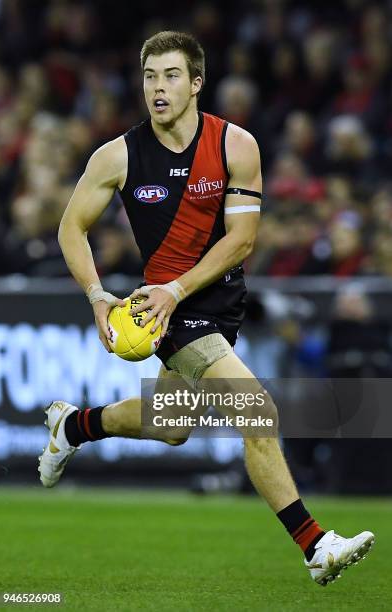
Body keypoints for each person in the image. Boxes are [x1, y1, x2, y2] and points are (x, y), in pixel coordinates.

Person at [38, 31, 374, 586]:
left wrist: (180, 288)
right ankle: (315, 544)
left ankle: (73, 426)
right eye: (149, 77)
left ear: (196, 83)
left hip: (218, 302)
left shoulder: (235, 146)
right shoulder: (118, 155)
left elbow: (242, 241)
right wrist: (99, 295)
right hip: (167, 313)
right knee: (257, 412)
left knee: (172, 425)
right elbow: (70, 226)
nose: (158, 89)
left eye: (171, 76)